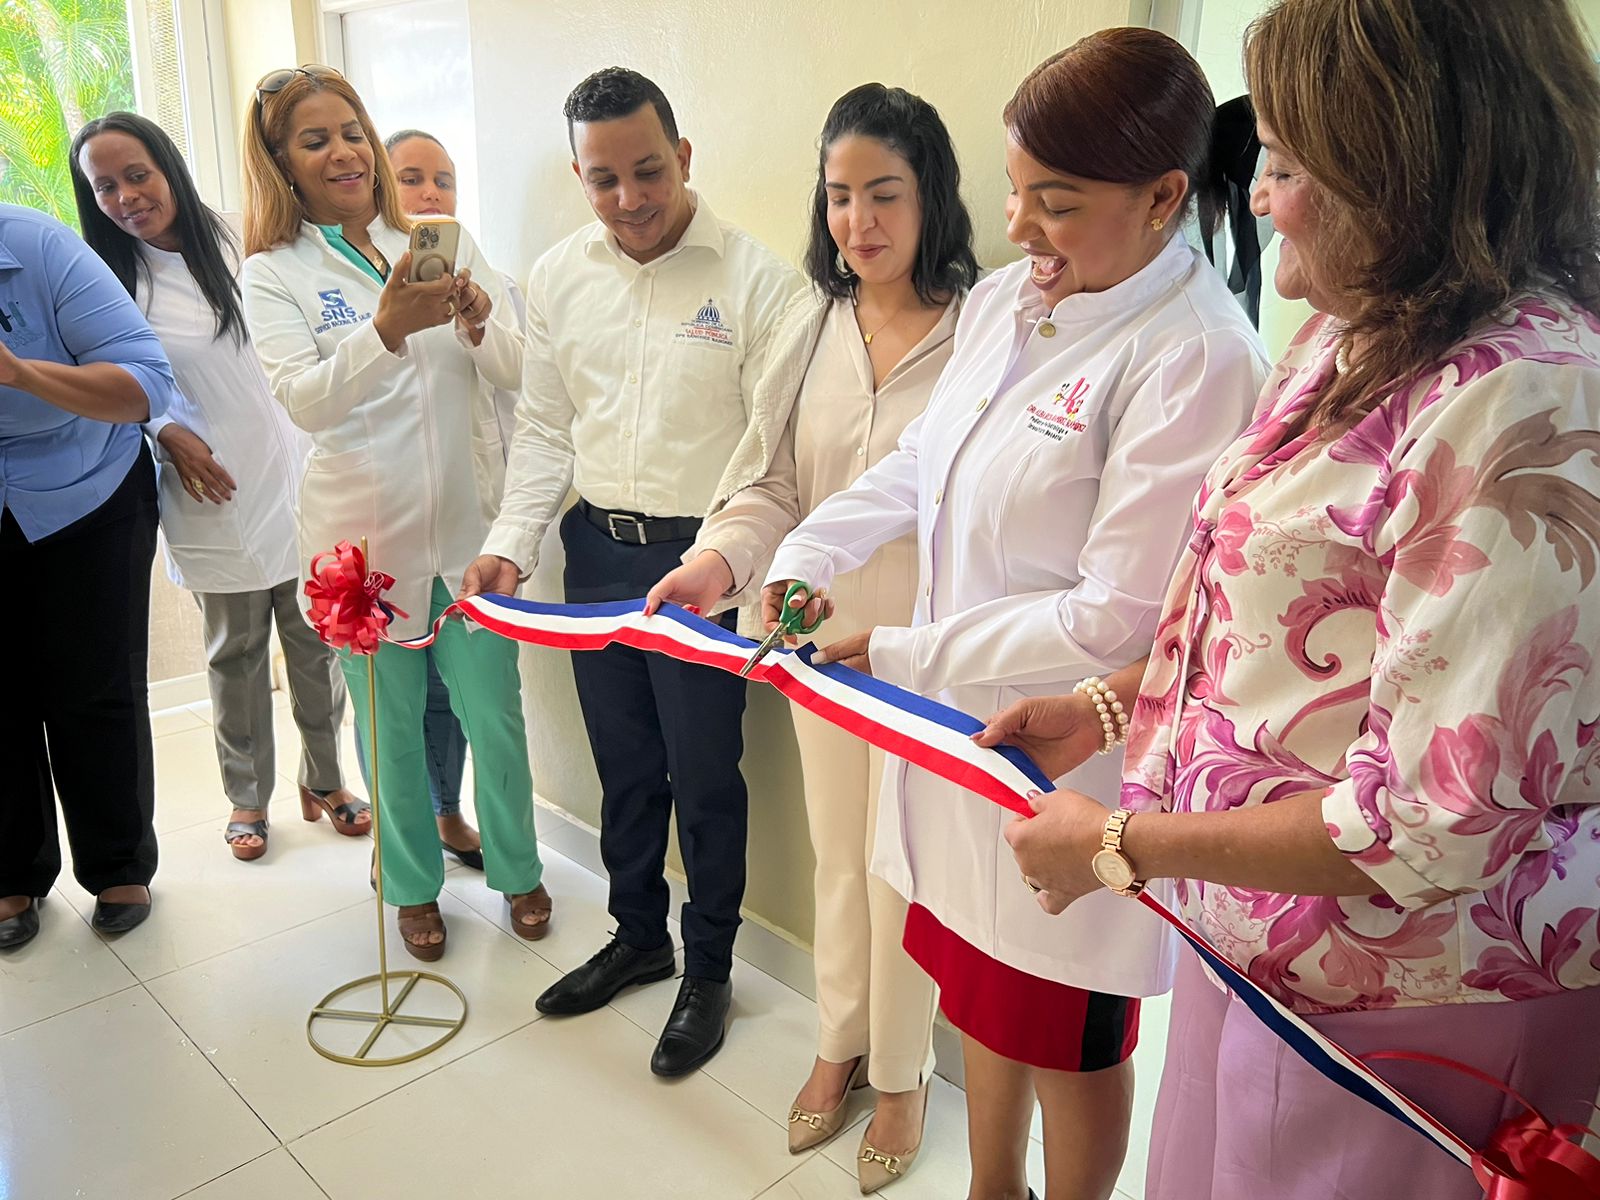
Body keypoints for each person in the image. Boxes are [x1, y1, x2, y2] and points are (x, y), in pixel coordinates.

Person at [993, 2, 1600, 1197]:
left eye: (1281, 164)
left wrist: (1118, 844)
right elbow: (1262, 618)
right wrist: (1111, 711)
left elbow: (1432, 826)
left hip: (1415, 991)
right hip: (1262, 938)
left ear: (1404, 167)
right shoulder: (1351, 332)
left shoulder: (1526, 398)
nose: (1257, 198)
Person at [764, 30, 1270, 1200]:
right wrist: (809, 550)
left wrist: (895, 648)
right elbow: (923, 465)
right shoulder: (1008, 298)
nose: (1022, 227)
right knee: (979, 992)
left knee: (1066, 1032)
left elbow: (1110, 618)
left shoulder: (1195, 356)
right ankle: (994, 1186)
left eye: (1056, 202)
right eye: (1015, 192)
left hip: (1067, 767)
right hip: (959, 748)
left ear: (1161, 197)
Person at [644, 83, 975, 1187]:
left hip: (932, 661)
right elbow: (770, 485)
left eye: (883, 193)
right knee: (841, 860)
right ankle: (840, 1041)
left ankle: (904, 1073)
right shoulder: (812, 325)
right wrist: (713, 562)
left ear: (932, 196)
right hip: (820, 648)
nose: (858, 222)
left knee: (909, 871)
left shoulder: (989, 330)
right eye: (838, 197)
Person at [461, 67, 800, 1076]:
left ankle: (708, 969)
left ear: (684, 158)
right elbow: (546, 430)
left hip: (704, 563)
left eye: (647, 171)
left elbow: (767, 456)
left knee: (705, 776)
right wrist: (512, 544)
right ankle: (638, 936)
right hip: (596, 555)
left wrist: (721, 561)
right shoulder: (560, 275)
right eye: (603, 180)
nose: (629, 199)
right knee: (625, 767)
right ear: (580, 176)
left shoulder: (757, 282)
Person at [238, 65, 550, 959]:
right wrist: (384, 331)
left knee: (494, 715)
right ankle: (412, 886)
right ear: (281, 164)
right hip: (361, 551)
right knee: (389, 729)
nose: (340, 151)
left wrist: (482, 323)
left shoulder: (434, 239)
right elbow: (304, 401)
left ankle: (520, 871)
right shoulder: (274, 273)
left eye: (348, 131)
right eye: (313, 140)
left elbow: (521, 372)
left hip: (469, 535)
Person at [70, 112, 368, 864]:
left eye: (136, 174)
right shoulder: (108, 282)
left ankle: (326, 780)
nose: (125, 196)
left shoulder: (245, 236)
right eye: (103, 186)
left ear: (168, 165)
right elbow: (114, 384)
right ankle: (247, 796)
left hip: (302, 474)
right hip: (214, 491)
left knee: (316, 644)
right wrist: (163, 429)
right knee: (235, 652)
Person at [0, 203, 184, 947]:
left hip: (87, 486)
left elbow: (147, 383)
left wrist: (18, 373)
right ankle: (11, 873)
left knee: (94, 683)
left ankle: (116, 865)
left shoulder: (37, 245)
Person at [377, 125, 531, 872]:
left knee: (480, 705)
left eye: (444, 179)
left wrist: (475, 319)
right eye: (411, 177)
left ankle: (504, 859)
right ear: (380, 183)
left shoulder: (477, 263)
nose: (431, 193)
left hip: (470, 520)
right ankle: (409, 837)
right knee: (397, 711)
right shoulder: (358, 270)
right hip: (386, 524)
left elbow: (516, 370)